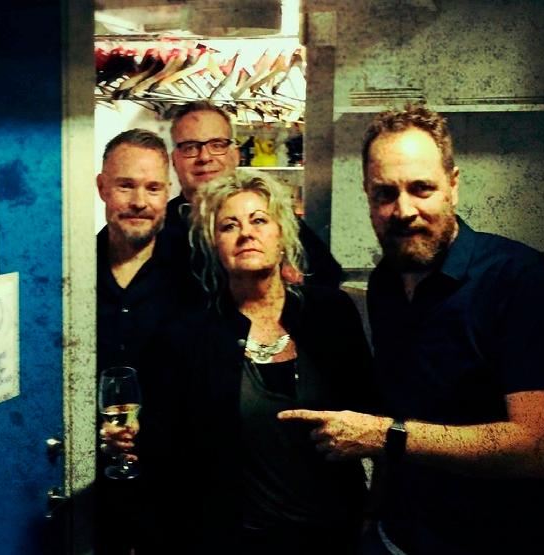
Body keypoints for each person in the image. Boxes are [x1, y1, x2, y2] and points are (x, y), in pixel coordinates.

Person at [279, 105, 544, 555]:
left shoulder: (517, 280)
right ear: (367, 195)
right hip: (398, 538)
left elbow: (538, 447)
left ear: (453, 186)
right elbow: (400, 408)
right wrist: (373, 514)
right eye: (385, 193)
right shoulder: (385, 284)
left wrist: (384, 435)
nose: (403, 211)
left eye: (421, 188)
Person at [140, 172, 373, 555]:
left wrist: (375, 509)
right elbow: (167, 457)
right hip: (233, 542)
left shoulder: (331, 313)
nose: (246, 233)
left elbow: (373, 412)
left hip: (334, 536)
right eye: (229, 225)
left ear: (282, 235)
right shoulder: (187, 336)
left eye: (259, 220)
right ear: (214, 244)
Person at [95, 128, 192, 555]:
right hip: (94, 483)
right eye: (125, 186)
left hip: (177, 487)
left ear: (167, 192)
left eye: (153, 188)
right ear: (102, 187)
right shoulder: (71, 269)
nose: (139, 201)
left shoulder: (198, 269)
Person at [165, 100, 345, 288]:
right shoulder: (158, 229)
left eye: (217, 145)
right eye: (190, 147)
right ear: (174, 160)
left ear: (236, 156)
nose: (204, 157)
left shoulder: (272, 215)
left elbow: (327, 275)